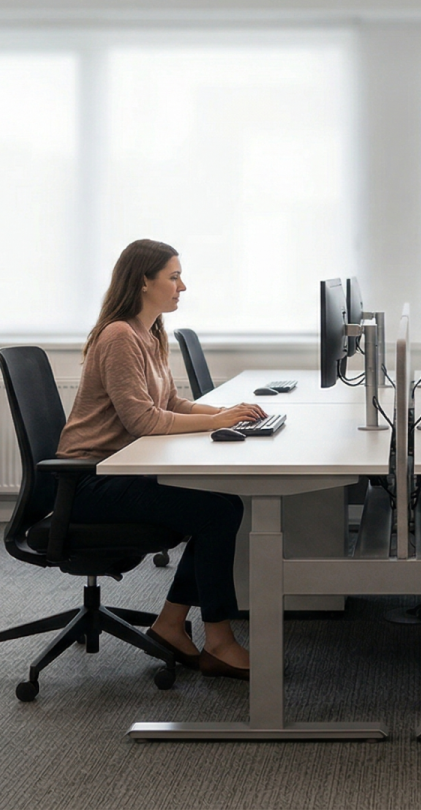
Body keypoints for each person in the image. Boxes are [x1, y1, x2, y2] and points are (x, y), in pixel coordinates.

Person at [55, 238, 264, 680]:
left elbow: (170, 401)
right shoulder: (118, 337)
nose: (181, 286)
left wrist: (228, 414)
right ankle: (218, 641)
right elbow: (143, 421)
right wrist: (217, 421)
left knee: (224, 504)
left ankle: (171, 624)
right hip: (89, 481)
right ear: (143, 281)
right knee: (214, 512)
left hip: (120, 471)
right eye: (173, 276)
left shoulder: (148, 334)